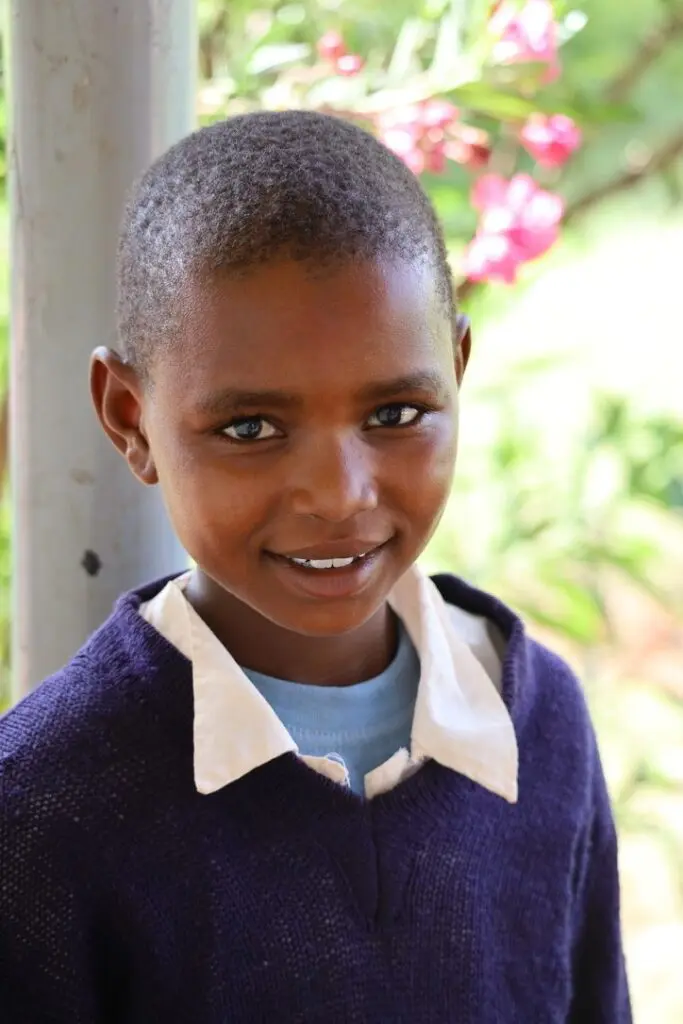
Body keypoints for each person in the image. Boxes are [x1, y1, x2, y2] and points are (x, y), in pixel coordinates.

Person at [0, 110, 631, 1023]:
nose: (338, 495)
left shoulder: (539, 727)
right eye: (249, 429)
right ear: (131, 419)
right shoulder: (43, 811)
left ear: (456, 370)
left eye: (396, 415)